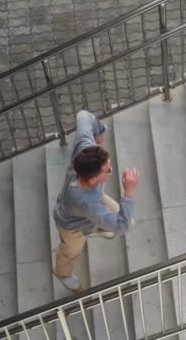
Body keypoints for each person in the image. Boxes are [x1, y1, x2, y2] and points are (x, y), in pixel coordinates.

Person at [52, 110, 139, 291]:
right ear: (92, 180)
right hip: (72, 225)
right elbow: (122, 227)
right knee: (71, 251)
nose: (111, 170)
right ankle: (63, 272)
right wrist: (129, 192)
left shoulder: (85, 148)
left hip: (90, 205)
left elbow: (83, 115)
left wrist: (99, 134)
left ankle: (98, 226)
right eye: (107, 170)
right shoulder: (88, 202)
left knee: (124, 218)